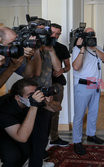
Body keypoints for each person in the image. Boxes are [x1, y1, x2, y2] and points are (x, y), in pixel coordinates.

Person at [23, 18, 61, 167]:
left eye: (44, 31)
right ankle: (31, 161)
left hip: (46, 94)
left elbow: (58, 68)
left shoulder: (49, 47)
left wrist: (51, 50)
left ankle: (38, 161)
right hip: (30, 96)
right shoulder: (29, 48)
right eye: (39, 31)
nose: (42, 35)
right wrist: (37, 49)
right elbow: (34, 73)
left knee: (44, 131)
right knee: (33, 133)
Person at [72, 27, 104, 155]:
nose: (91, 36)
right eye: (88, 34)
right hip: (82, 86)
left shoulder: (97, 47)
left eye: (93, 34)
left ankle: (91, 135)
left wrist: (94, 48)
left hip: (95, 85)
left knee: (93, 112)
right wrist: (82, 49)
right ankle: (77, 141)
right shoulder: (77, 49)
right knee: (79, 115)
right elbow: (76, 67)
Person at [0, 78, 45, 167]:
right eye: (30, 95)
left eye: (35, 93)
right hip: (1, 133)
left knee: (28, 149)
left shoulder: (25, 101)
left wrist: (47, 99)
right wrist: (34, 105)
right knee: (13, 156)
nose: (34, 97)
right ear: (18, 97)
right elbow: (22, 138)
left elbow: (57, 108)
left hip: (13, 129)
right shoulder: (5, 109)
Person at [49, 23, 70, 147]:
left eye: (58, 34)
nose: (55, 35)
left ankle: (54, 138)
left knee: (55, 111)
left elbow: (68, 66)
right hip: (39, 84)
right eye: (53, 32)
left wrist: (62, 70)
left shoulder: (62, 48)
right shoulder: (38, 47)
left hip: (57, 84)